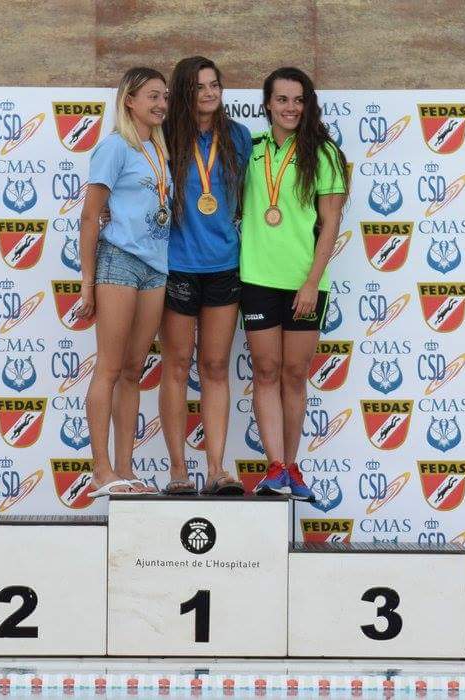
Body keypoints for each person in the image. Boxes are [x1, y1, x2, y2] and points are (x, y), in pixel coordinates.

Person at [240, 67, 348, 499]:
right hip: (256, 278)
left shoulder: (324, 153)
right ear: (267, 103)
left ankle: (293, 464)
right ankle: (275, 467)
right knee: (266, 371)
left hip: (306, 282)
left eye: (299, 100)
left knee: (295, 374)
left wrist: (311, 282)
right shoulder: (249, 147)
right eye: (282, 99)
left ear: (308, 104)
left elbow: (331, 223)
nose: (291, 108)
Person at [158, 56, 252, 496]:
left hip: (224, 266)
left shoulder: (238, 137)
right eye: (200, 87)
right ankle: (178, 471)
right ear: (183, 92)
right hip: (177, 265)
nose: (210, 93)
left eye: (215, 85)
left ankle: (216, 469)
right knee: (177, 366)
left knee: (214, 366)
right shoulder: (164, 137)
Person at [77, 67, 172, 497]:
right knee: (110, 367)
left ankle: (125, 469)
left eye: (164, 97)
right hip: (119, 262)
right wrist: (87, 282)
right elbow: (89, 216)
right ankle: (100, 469)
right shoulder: (114, 147)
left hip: (156, 267)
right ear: (129, 100)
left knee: (134, 370)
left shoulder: (158, 150)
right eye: (152, 96)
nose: (161, 104)